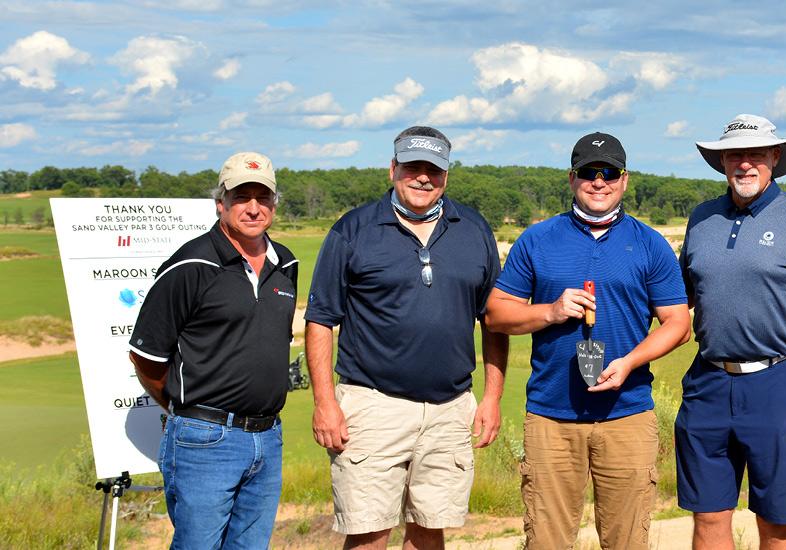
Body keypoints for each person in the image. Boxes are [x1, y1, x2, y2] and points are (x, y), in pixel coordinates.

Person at [304, 126, 508, 549]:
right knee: (368, 532)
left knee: (430, 528)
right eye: (412, 167)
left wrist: (491, 398)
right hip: (373, 406)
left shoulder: (473, 228)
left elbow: (494, 320)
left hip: (450, 409)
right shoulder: (353, 229)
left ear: (446, 176)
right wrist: (325, 403)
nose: (422, 177)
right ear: (392, 169)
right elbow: (321, 318)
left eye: (433, 169)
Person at [484, 132, 691, 549]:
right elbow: (495, 314)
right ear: (571, 178)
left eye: (609, 172)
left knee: (627, 542)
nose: (599, 182)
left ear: (625, 179)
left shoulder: (649, 243)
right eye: (588, 173)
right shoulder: (538, 240)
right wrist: (551, 311)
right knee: (546, 542)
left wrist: (629, 362)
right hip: (551, 418)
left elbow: (678, 324)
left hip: (627, 416)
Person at [676, 114, 786, 549]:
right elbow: (681, 299)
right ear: (722, 161)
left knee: (777, 519)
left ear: (774, 158)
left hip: (781, 381)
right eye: (735, 155)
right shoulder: (703, 218)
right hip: (708, 380)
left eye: (755, 154)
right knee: (708, 515)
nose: (744, 164)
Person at [128, 151, 298, 548]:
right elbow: (147, 357)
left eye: (263, 197)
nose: (253, 208)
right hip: (204, 440)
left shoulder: (285, 264)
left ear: (274, 204)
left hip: (268, 435)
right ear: (220, 203)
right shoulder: (190, 265)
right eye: (241, 197)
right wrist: (189, 411)